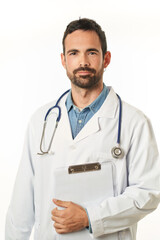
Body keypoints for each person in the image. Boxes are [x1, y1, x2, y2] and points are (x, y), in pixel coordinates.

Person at [5, 18, 160, 240]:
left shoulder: (134, 122)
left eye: (92, 53)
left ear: (106, 59)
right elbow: (21, 204)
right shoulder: (41, 121)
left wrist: (90, 217)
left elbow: (148, 193)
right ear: (63, 60)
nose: (83, 62)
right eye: (74, 53)